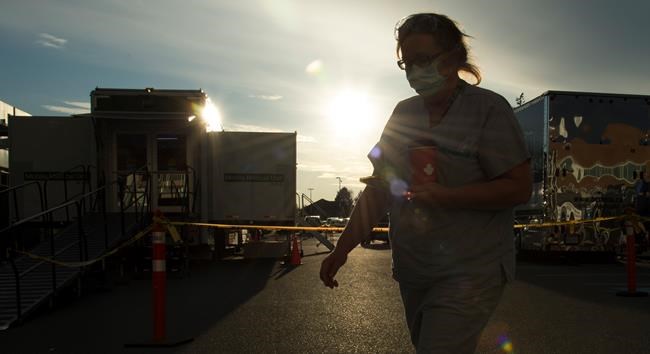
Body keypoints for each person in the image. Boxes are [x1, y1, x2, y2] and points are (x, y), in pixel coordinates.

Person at [319, 13, 532, 353]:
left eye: (424, 60)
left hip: (471, 271)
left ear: (452, 58)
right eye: (407, 64)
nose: (415, 71)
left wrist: (448, 197)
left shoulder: (489, 110)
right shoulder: (402, 113)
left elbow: (519, 187)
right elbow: (379, 189)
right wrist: (342, 249)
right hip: (415, 269)